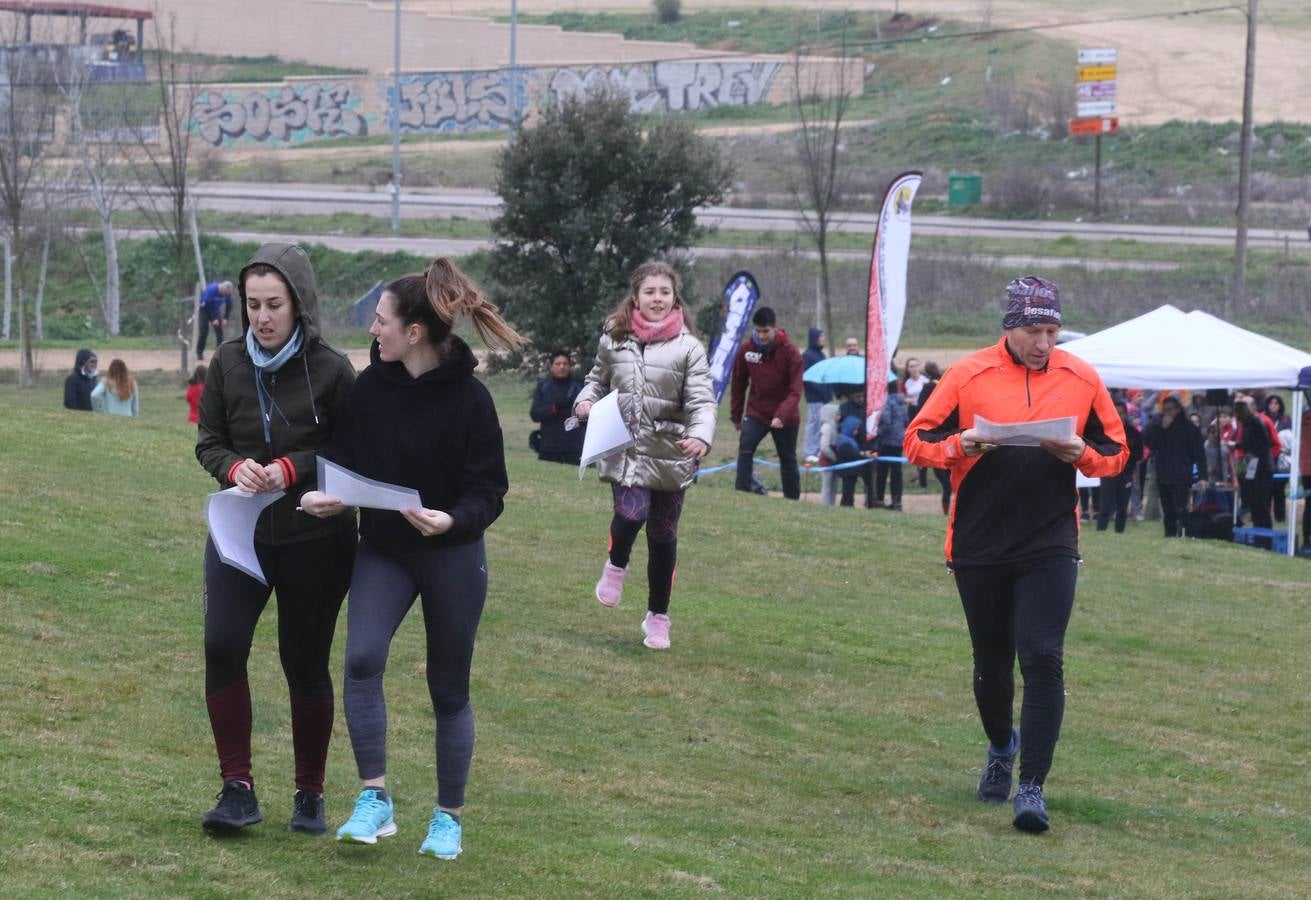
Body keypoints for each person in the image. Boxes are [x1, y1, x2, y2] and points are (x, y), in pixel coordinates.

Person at [299, 256, 522, 860]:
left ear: (415, 332)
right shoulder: (369, 388)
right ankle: (375, 799)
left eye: (381, 321)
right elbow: (345, 459)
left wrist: (452, 520)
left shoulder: (472, 401)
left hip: (451, 555)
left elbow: (489, 492)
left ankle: (448, 817)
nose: (374, 331)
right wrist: (332, 498)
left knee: (448, 688)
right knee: (362, 659)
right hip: (385, 551)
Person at [904, 275, 1127, 834]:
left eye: (1052, 331)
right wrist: (961, 445)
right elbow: (915, 440)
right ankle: (1002, 747)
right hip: (979, 542)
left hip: (1050, 541)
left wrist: (1083, 454)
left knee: (1043, 657)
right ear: (1010, 327)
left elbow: (1118, 450)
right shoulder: (967, 373)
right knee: (992, 664)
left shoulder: (1082, 377)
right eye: (1034, 330)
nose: (1044, 343)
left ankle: (1032, 786)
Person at [195, 243, 357, 836]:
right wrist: (233, 469)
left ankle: (309, 794)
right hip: (240, 532)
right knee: (221, 644)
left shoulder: (335, 369)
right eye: (253, 304)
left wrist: (292, 469)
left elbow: (351, 450)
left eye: (275, 305)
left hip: (317, 536)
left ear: (300, 305)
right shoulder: (228, 363)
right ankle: (236, 788)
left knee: (303, 661)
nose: (262, 317)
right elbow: (209, 440)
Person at [575, 260, 716, 651]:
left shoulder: (689, 348)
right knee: (631, 513)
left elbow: (702, 401)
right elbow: (595, 380)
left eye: (664, 292)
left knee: (663, 537)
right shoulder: (614, 338)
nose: (657, 299)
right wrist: (585, 403)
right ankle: (616, 564)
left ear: (675, 299)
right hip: (625, 450)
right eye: (650, 291)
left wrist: (700, 436)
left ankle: (658, 618)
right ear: (635, 296)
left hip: (671, 454)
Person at [730, 306, 803, 500]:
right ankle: (741, 494)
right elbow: (738, 383)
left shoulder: (791, 352)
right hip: (758, 411)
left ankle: (792, 500)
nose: (761, 336)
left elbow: (795, 391)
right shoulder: (746, 351)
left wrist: (782, 415)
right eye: (758, 331)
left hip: (785, 414)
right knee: (745, 447)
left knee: (787, 459)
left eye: (766, 331)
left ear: (775, 328)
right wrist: (736, 415)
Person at [1142, 394, 1208, 538]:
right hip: (1163, 472)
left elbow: (1199, 453)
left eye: (1170, 409)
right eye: (1164, 409)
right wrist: (1161, 428)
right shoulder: (1158, 422)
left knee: (1180, 507)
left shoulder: (1188, 427)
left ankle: (1187, 534)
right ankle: (1170, 534)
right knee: (1167, 509)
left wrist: (1203, 476)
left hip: (1181, 474)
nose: (1168, 413)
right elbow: (1149, 442)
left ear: (1178, 409)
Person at [529, 350, 586, 465]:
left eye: (565, 364)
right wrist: (554, 408)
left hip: (574, 448)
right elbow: (535, 414)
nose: (562, 367)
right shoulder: (543, 387)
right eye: (558, 364)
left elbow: (586, 417)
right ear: (551, 367)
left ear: (570, 367)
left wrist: (572, 417)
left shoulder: (579, 387)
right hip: (548, 448)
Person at [1096, 399, 1143, 533]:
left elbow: (1138, 454)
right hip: (1108, 471)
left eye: (1121, 413)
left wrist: (1125, 461)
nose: (1118, 415)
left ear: (1125, 414)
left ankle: (1119, 531)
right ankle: (1101, 530)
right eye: (1116, 412)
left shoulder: (1133, 433)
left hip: (1126, 472)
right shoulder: (1104, 431)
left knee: (1122, 505)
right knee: (1105, 504)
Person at [1233, 399, 1273, 541]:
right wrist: (1237, 445)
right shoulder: (1245, 424)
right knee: (1253, 502)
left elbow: (1266, 443)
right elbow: (1247, 443)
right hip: (1251, 465)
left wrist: (1254, 452)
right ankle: (1257, 531)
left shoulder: (1255, 423)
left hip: (1262, 467)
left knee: (1261, 502)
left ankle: (1265, 534)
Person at [874, 373, 907, 511]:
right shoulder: (901, 401)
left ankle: (879, 500)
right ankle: (897, 501)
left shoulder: (887, 401)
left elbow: (886, 421)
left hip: (887, 441)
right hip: (899, 440)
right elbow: (905, 420)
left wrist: (878, 431)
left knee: (882, 471)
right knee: (896, 472)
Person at [836, 387, 874, 508]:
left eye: (863, 396)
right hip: (848, 449)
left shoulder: (869, 407)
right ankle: (847, 502)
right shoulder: (844, 407)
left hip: (865, 446)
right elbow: (839, 427)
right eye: (858, 397)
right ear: (851, 395)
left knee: (870, 478)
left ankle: (871, 501)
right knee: (849, 478)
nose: (861, 399)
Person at [801, 328, 830, 464]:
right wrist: (819, 390)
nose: (823, 339)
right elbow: (806, 377)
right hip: (814, 397)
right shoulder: (807, 356)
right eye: (821, 337)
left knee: (822, 423)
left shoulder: (821, 355)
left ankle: (819, 449)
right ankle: (809, 452)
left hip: (824, 396)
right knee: (814, 423)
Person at [1265, 394, 1292, 523]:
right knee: (1266, 489)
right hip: (1266, 458)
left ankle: (1280, 516)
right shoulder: (1263, 418)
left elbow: (1289, 439)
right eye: (1271, 403)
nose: (1273, 406)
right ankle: (1264, 516)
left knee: (1279, 489)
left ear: (1280, 405)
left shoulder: (1286, 420)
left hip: (1280, 458)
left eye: (1276, 403)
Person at [197, 280, 234, 360]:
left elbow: (229, 305)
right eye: (224, 293)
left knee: (219, 331)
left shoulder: (227, 292)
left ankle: (219, 353)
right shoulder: (212, 290)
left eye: (227, 294)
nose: (225, 295)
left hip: (215, 311)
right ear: (221, 288)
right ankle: (199, 352)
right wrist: (214, 319)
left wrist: (225, 318)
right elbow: (206, 305)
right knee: (204, 331)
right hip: (205, 309)